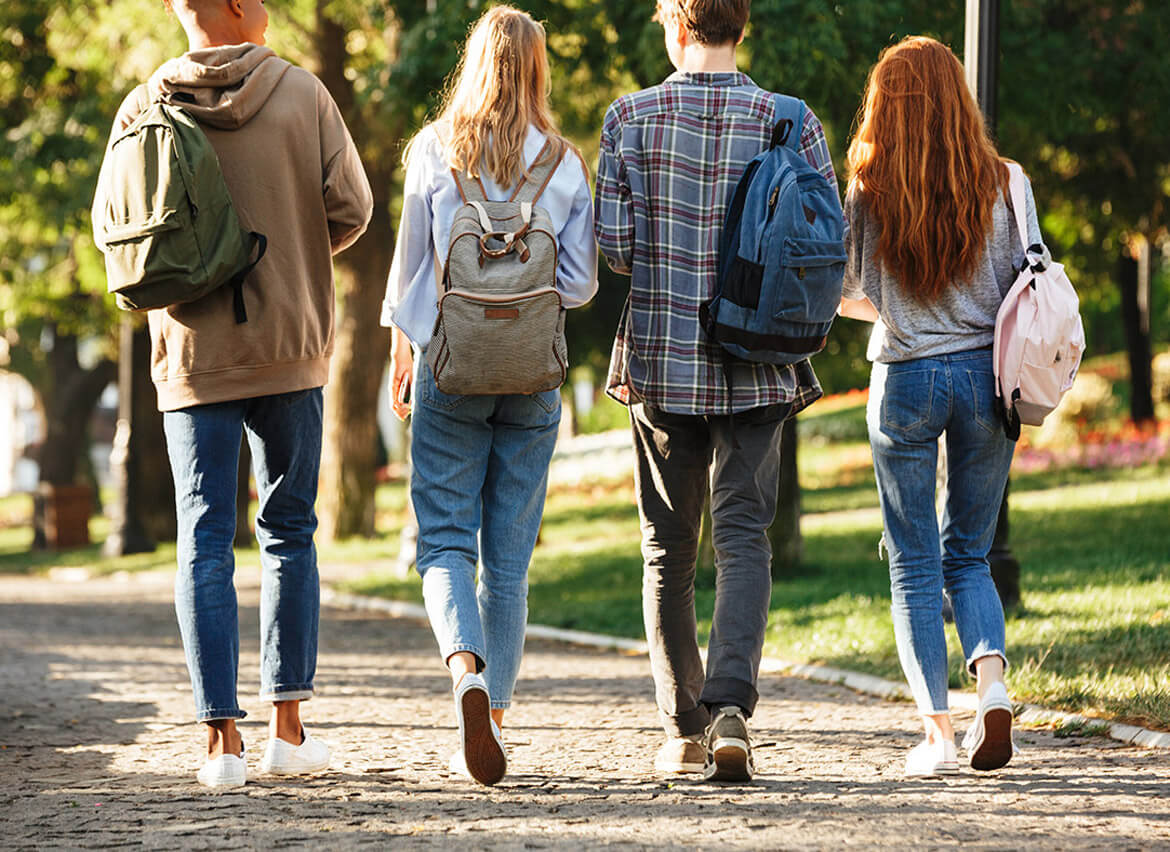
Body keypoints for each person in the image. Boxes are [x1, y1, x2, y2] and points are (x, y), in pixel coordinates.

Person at [98, 0, 373, 787]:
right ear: (239, 8)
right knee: (288, 532)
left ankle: (221, 744)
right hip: (289, 347)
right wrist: (293, 246)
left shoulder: (142, 105)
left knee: (203, 537)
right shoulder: (303, 93)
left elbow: (117, 232)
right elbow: (351, 208)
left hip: (192, 352)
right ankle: (288, 729)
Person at [594, 0, 836, 782]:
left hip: (664, 358)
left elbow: (616, 249)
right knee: (742, 537)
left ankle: (683, 729)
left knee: (668, 548)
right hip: (762, 356)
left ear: (676, 25)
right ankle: (732, 709)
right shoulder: (791, 119)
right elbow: (823, 247)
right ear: (743, 26)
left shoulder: (628, 117)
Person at [381, 6, 597, 786]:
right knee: (508, 562)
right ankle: (495, 718)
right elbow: (577, 287)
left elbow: (411, 276)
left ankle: (465, 674)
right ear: (538, 72)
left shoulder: (433, 152)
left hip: (450, 367)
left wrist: (403, 356)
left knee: (443, 540)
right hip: (533, 378)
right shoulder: (566, 164)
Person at [838, 36, 1039, 777]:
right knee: (970, 553)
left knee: (913, 562)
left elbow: (844, 288)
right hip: (988, 381)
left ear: (885, 104)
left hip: (905, 382)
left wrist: (899, 307)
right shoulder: (1008, 182)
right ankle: (991, 686)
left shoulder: (868, 186)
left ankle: (940, 737)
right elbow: (1030, 284)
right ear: (960, 97)